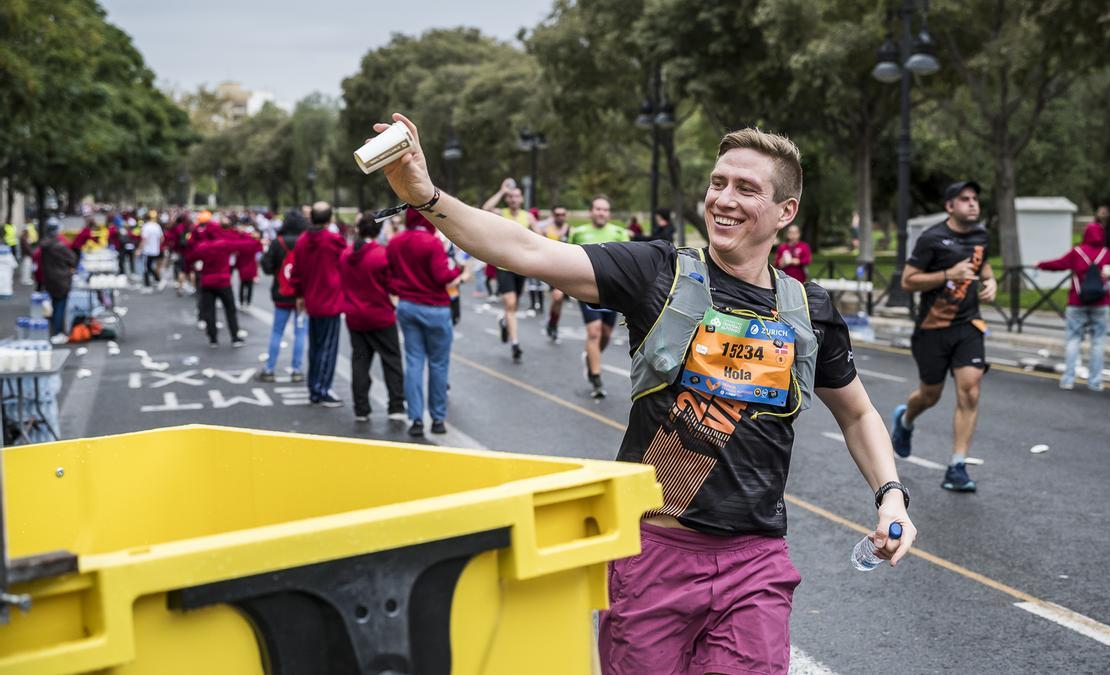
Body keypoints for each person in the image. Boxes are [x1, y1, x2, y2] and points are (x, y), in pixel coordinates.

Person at [372, 112, 915, 673]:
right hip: (653, 552)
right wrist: (426, 195)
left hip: (755, 562)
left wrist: (890, 494)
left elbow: (857, 415)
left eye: (746, 189)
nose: (723, 199)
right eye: (718, 183)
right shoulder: (658, 272)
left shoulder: (807, 309)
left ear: (785, 212)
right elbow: (524, 250)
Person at [890, 180, 997, 493]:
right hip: (932, 329)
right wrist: (948, 275)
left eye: (975, 199)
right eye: (965, 199)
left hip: (968, 326)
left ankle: (957, 466)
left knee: (971, 390)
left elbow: (984, 265)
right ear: (950, 206)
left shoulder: (981, 236)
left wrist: (991, 283)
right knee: (930, 395)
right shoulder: (932, 239)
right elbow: (908, 281)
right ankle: (906, 420)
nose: (973, 204)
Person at [387, 208, 464, 438]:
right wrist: (457, 269)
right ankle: (438, 419)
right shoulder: (432, 243)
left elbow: (389, 276)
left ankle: (416, 418)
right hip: (435, 308)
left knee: (413, 363)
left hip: (408, 306)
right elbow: (442, 277)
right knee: (438, 365)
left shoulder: (395, 242)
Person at [1035, 221, 1110, 391]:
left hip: (1077, 301)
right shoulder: (1107, 254)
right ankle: (1095, 382)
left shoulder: (1077, 252)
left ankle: (1068, 379)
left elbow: (1058, 264)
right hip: (1101, 303)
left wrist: (1040, 264)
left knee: (1073, 340)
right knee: (1098, 342)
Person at [339, 214, 406, 423]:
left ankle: (361, 408)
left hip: (354, 316)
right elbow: (392, 285)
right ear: (378, 231)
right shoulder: (381, 254)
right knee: (392, 361)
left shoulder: (346, 254)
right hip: (380, 315)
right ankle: (395, 405)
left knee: (359, 363)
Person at [567, 195, 629, 398]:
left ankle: (590, 357)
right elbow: (567, 260)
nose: (601, 212)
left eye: (605, 209)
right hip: (586, 290)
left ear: (608, 213)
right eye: (597, 209)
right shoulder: (578, 233)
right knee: (593, 333)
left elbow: (629, 264)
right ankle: (596, 378)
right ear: (591, 211)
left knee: (604, 335)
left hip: (612, 293)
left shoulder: (619, 234)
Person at [291, 202, 347, 407]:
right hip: (331, 301)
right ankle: (322, 389)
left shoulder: (302, 241)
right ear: (330, 219)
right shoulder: (334, 240)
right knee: (328, 348)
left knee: (314, 348)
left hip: (311, 300)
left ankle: (314, 387)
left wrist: (299, 295)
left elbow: (296, 271)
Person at [482, 180, 536, 362]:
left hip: (521, 266)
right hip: (504, 265)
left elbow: (540, 239)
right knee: (511, 303)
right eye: (510, 196)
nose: (513, 199)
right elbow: (485, 208)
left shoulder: (527, 217)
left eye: (516, 196)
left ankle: (504, 322)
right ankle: (515, 344)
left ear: (521, 199)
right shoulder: (501, 213)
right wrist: (501, 190)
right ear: (507, 199)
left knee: (513, 304)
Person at [186, 219, 259, 348]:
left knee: (210, 311)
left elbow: (189, 258)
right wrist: (247, 235)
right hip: (223, 281)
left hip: (207, 282)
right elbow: (246, 245)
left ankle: (213, 339)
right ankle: (235, 337)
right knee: (230, 310)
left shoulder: (202, 246)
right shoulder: (224, 244)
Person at [257, 211, 308, 383]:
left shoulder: (277, 243)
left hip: (281, 294)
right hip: (301, 295)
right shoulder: (305, 241)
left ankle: (270, 369)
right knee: (300, 333)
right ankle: (296, 370)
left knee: (277, 332)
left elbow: (266, 267)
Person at [34, 220, 77, 340]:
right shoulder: (58, 246)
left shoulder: (44, 245)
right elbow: (72, 258)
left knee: (55, 305)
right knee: (60, 307)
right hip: (61, 279)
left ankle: (55, 331)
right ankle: (58, 332)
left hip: (49, 279)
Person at [543, 205, 572, 342]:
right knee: (557, 297)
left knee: (558, 301)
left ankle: (553, 322)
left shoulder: (569, 229)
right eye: (558, 214)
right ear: (553, 216)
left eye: (563, 214)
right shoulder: (547, 230)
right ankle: (552, 322)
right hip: (552, 269)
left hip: (567, 270)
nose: (561, 217)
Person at [235, 227, 260, 311]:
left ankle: (242, 302)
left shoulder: (240, 244)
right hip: (251, 267)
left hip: (242, 267)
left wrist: (237, 266)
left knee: (242, 286)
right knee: (250, 287)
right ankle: (248, 303)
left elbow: (237, 257)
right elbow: (260, 249)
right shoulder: (254, 243)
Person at [138, 215, 165, 289]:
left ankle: (148, 283)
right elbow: (162, 239)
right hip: (156, 250)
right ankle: (156, 279)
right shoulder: (157, 226)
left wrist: (139, 249)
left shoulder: (145, 227)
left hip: (147, 251)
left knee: (146, 267)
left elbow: (144, 240)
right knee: (150, 266)